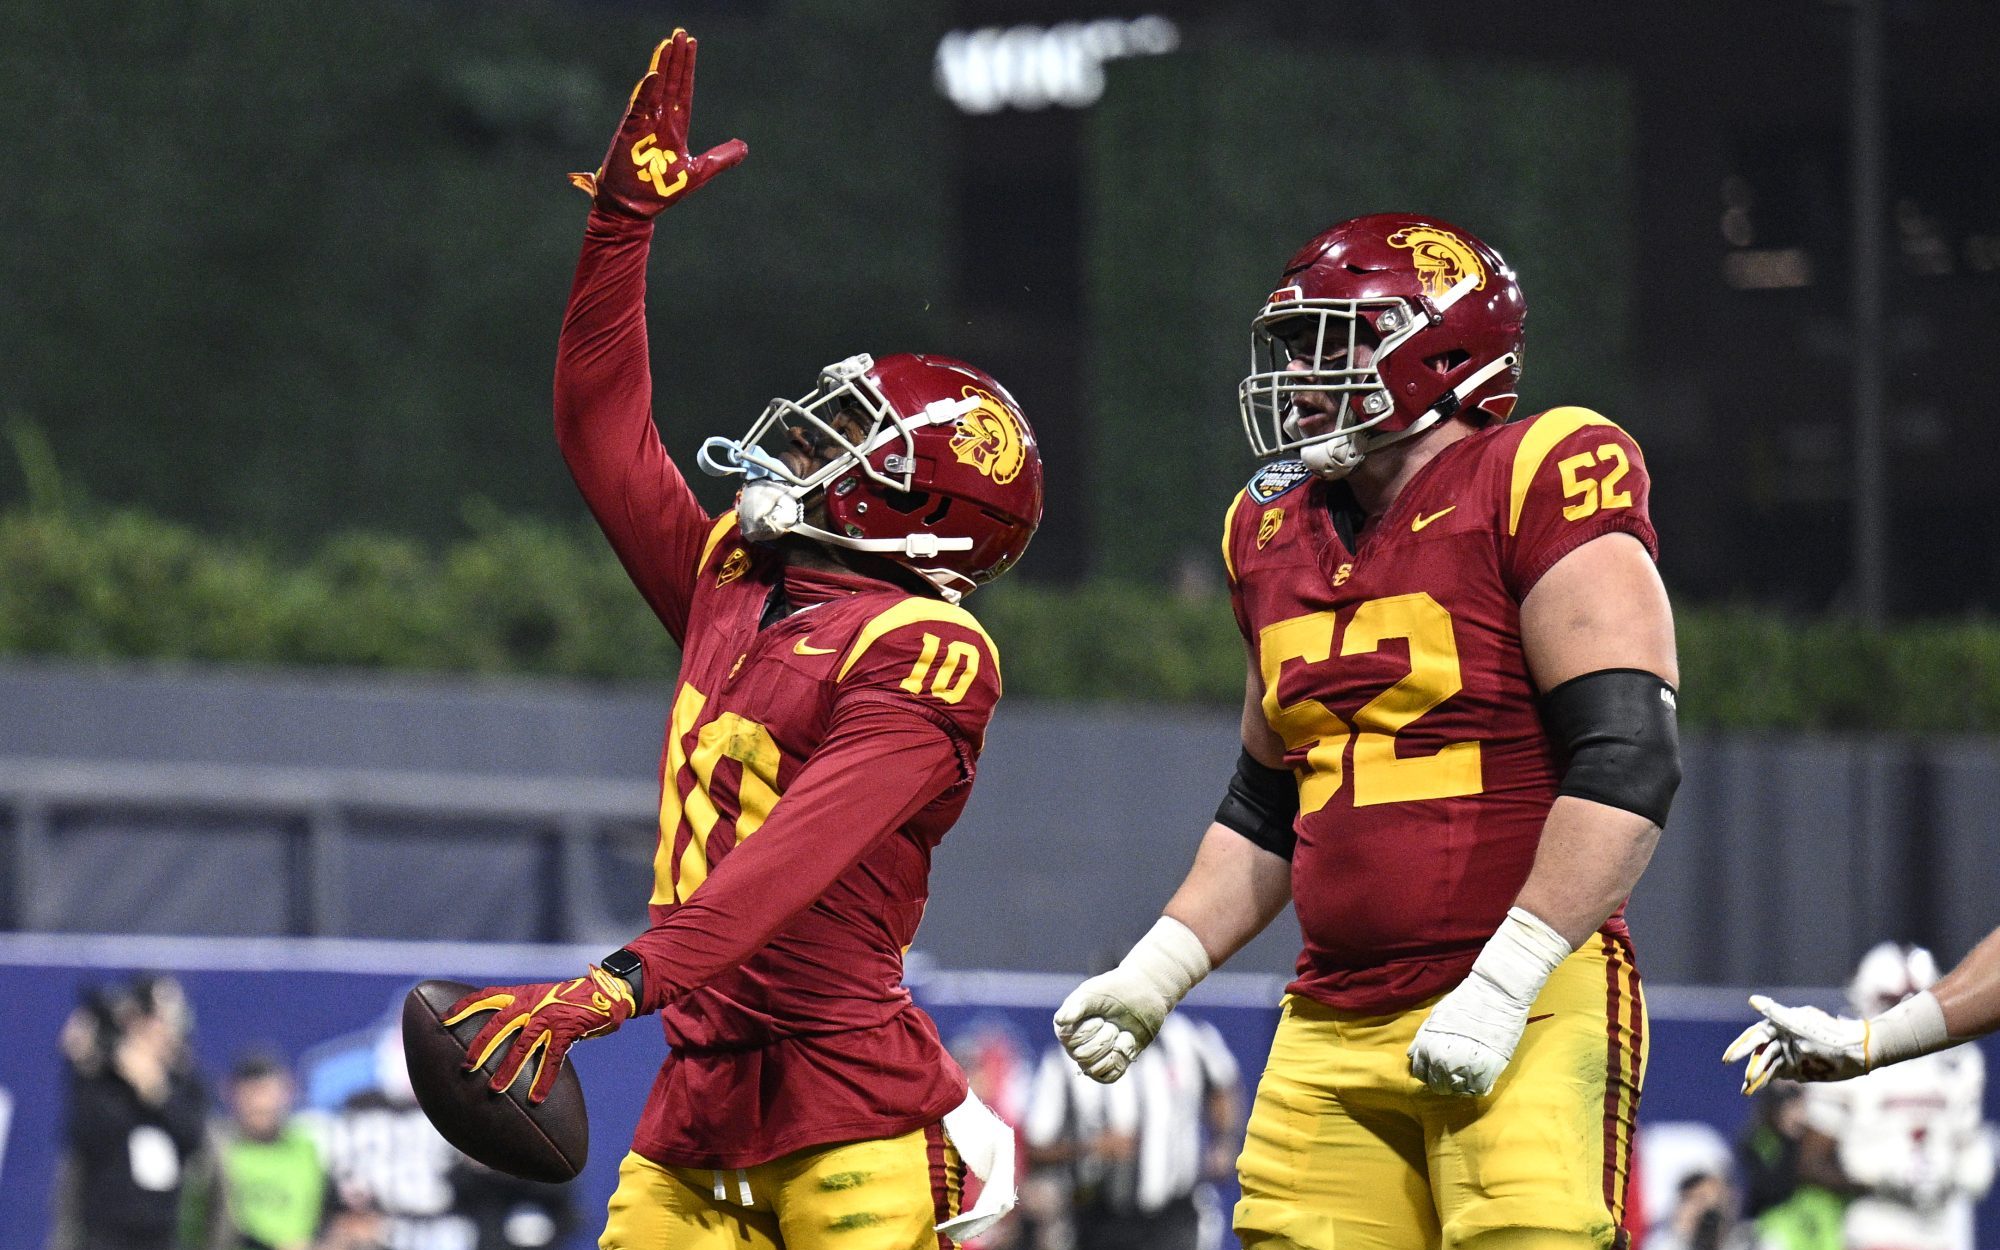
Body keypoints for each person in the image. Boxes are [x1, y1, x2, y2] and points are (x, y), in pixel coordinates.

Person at [441, 30, 1036, 1250]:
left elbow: (788, 857)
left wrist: (618, 977)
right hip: (697, 1106)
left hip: (848, 1117)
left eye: (838, 446)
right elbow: (601, 430)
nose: (801, 451)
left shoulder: (929, 648)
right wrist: (618, 229)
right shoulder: (738, 575)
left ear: (917, 507)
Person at [1053, 214, 1681, 1249]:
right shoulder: (1262, 526)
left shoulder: (1538, 469)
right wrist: (1156, 966)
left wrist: (1503, 977)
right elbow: (1266, 801)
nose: (1301, 371)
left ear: (1441, 348)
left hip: (1522, 993)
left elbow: (1627, 756)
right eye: (1295, 344)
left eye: (1335, 341)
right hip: (1331, 1013)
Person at [1787, 945, 1993, 1250]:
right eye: (1893, 1005)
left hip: (1944, 1232)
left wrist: (1964, 1172)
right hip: (1875, 1229)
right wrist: (1876, 1183)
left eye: (1914, 1005)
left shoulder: (1959, 1063)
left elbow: (1969, 1148)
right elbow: (1812, 1161)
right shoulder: (1844, 1061)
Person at [1022, 1011, 1241, 1250]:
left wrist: (1224, 1141)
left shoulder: (1187, 1037)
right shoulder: (1068, 1058)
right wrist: (1093, 1147)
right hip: (1099, 1217)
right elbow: (1036, 1145)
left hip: (1176, 1213)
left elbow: (1223, 1085)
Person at [1726, 924, 2000, 1089]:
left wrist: (1875, 1040)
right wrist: (1873, 1040)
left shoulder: (1962, 1066)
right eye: (1892, 1002)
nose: (1903, 1005)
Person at [52, 976, 214, 1250]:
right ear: (136, 1022)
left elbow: (195, 1139)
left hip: (164, 1231)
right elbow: (84, 1136)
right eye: (160, 1020)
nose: (169, 1031)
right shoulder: (102, 1080)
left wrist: (155, 1091)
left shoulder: (185, 1080)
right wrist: (87, 1065)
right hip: (105, 1234)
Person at [204, 1053, 327, 1250]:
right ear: (230, 1094)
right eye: (250, 1094)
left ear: (287, 1091)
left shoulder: (309, 1147)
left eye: (266, 1092)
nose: (260, 1104)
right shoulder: (214, 1151)